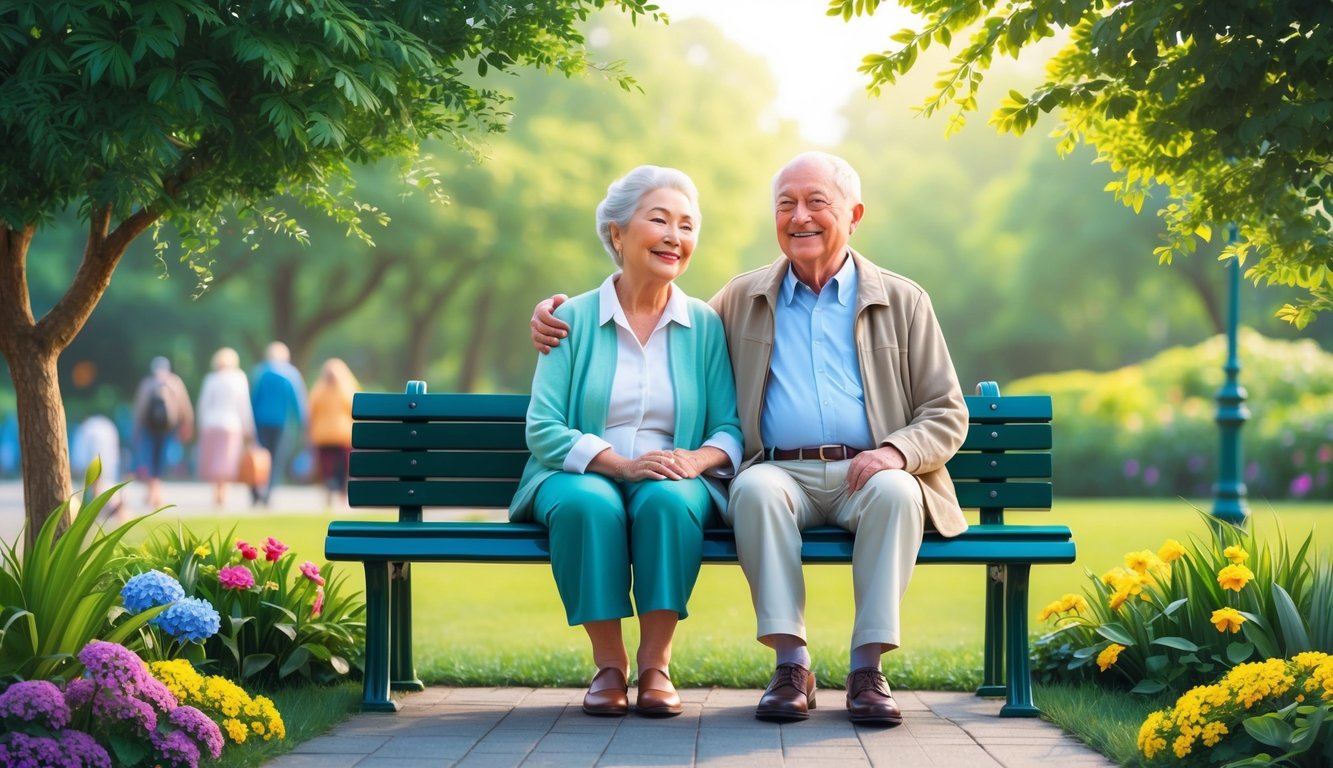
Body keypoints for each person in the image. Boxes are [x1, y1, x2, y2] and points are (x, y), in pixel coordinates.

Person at [530, 151, 968, 727]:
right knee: (754, 489)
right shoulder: (739, 299)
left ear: (854, 214)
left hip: (872, 471)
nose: (800, 216)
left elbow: (947, 410)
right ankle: (791, 665)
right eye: (786, 204)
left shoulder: (903, 300)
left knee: (897, 493)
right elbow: (659, 314)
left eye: (817, 203)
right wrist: (552, 311)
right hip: (779, 472)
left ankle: (868, 670)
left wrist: (895, 452)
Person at [510, 165, 742, 719]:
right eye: (658, 219)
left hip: (670, 474)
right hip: (577, 472)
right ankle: (609, 666)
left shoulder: (706, 325)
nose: (674, 236)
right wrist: (618, 465)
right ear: (617, 233)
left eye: (687, 226)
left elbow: (730, 428)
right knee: (590, 505)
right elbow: (543, 427)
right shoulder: (570, 319)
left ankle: (656, 666)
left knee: (668, 501)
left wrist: (696, 460)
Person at [195, 347, 256, 507]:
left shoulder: (211, 379)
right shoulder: (239, 378)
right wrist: (248, 426)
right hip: (231, 423)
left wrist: (202, 424)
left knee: (215, 459)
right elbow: (244, 405)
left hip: (211, 423)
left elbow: (203, 404)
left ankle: (217, 490)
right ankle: (223, 491)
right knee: (227, 459)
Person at [131, 356, 195, 509]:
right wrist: (188, 424)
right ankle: (157, 493)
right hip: (169, 428)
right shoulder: (175, 382)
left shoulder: (147, 383)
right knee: (161, 459)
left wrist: (136, 429)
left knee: (149, 458)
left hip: (149, 428)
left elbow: (139, 409)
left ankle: (151, 491)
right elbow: (185, 405)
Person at [249, 341, 307, 506]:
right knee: (276, 459)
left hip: (260, 421)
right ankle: (268, 492)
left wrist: (249, 422)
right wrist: (302, 424)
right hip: (281, 423)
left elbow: (253, 398)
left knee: (259, 456)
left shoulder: (260, 372)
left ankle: (255, 489)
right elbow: (297, 402)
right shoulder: (290, 374)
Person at [307, 357, 359, 509]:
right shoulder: (348, 388)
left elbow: (311, 411)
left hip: (322, 436)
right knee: (344, 465)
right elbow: (355, 409)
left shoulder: (319, 389)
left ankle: (329, 485)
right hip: (344, 435)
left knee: (327, 465)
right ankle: (343, 491)